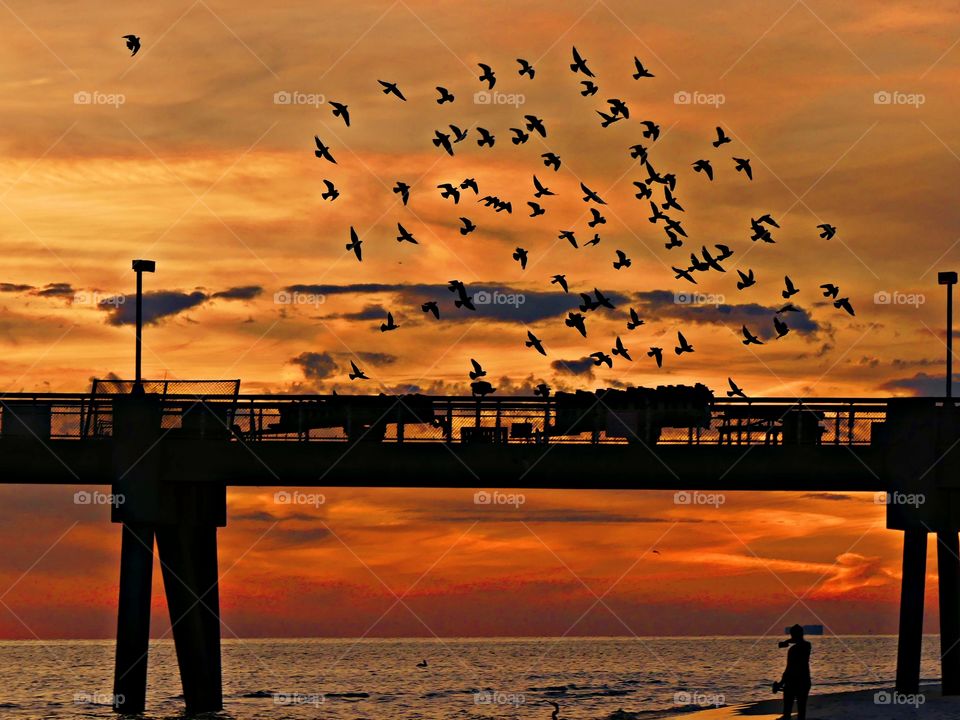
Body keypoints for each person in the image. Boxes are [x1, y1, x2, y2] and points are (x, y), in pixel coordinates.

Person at [773, 624, 811, 719]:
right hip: (804, 682)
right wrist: (788, 642)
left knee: (787, 712)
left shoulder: (793, 650)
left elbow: (789, 669)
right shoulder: (807, 646)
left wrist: (781, 683)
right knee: (801, 711)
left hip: (792, 683)